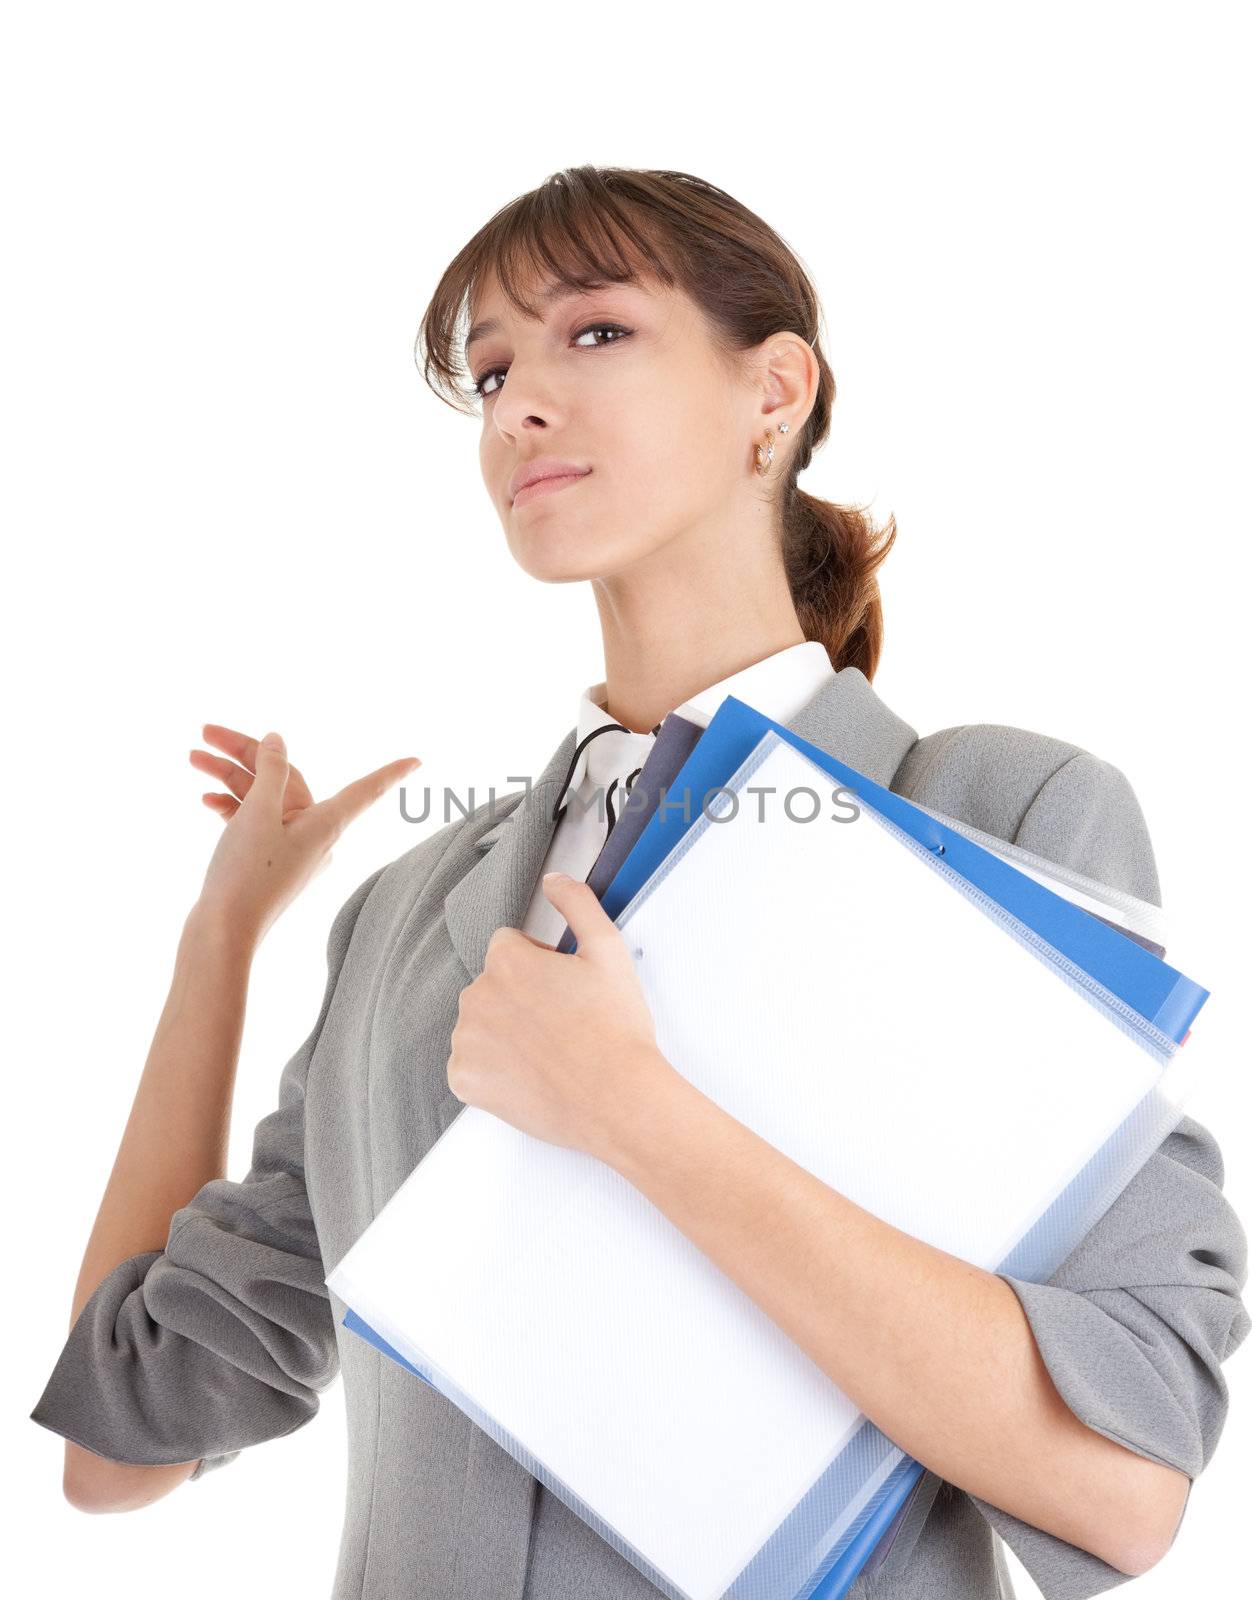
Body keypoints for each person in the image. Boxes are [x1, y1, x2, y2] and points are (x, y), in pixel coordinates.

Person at [30, 164, 1249, 1599]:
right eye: (489, 371)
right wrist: (221, 936)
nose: (518, 404)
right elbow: (119, 1444)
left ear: (774, 392)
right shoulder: (411, 917)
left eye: (594, 333)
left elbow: (1123, 1486)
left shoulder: (991, 812)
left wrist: (629, 1109)